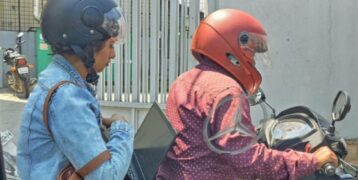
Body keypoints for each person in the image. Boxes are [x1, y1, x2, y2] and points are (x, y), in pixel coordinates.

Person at [157, 9, 338, 180]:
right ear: (230, 49)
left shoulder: (184, 81)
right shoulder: (227, 92)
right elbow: (247, 160)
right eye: (251, 52)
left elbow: (210, 137)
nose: (253, 61)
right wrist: (310, 161)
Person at [16, 0, 134, 179]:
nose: (113, 54)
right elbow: (107, 176)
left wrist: (100, 123)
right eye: (110, 45)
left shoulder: (60, 81)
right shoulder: (66, 97)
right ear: (88, 45)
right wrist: (122, 127)